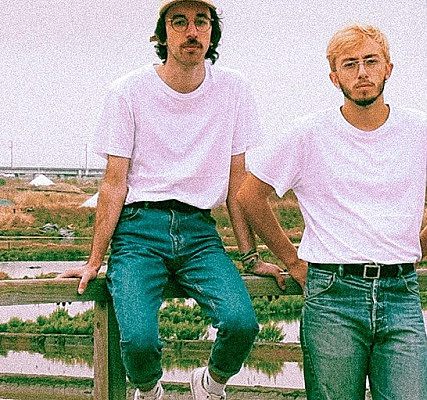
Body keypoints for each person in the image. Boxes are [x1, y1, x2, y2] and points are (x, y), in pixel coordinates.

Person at [57, 1, 284, 399]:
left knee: (242, 323)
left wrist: (251, 257)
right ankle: (148, 391)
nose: (191, 31)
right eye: (179, 22)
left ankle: (209, 385)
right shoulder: (128, 91)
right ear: (163, 34)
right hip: (138, 233)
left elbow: (238, 182)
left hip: (199, 232)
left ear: (212, 32)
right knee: (138, 340)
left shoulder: (234, 89)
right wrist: (94, 261)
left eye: (201, 21)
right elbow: (114, 183)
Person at [236, 24, 427, 400]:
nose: (362, 72)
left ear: (388, 69)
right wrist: (292, 261)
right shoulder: (308, 133)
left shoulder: (420, 130)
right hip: (332, 296)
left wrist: (418, 248)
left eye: (370, 61)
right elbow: (250, 196)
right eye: (350, 64)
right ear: (335, 77)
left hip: (400, 293)